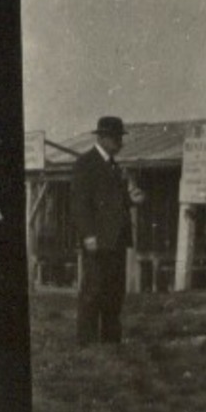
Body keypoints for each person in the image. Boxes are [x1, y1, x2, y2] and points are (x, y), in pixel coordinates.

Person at [72, 115, 144, 345]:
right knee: (93, 290)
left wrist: (133, 199)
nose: (120, 142)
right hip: (97, 240)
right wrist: (88, 235)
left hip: (117, 240)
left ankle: (112, 341)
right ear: (102, 138)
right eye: (115, 138)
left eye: (120, 137)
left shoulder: (115, 166)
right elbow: (79, 204)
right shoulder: (85, 163)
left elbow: (117, 202)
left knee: (114, 293)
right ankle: (87, 343)